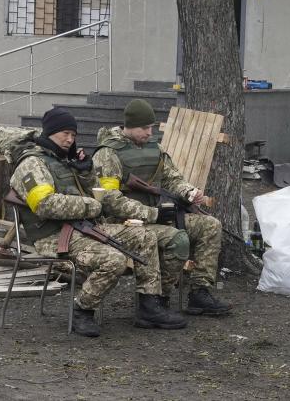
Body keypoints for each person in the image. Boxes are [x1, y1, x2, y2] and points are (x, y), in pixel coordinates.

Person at [9, 106, 187, 337]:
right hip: (54, 237)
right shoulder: (31, 164)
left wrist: (85, 172)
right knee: (114, 260)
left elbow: (96, 191)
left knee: (145, 236)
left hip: (85, 228)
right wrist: (91, 205)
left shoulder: (63, 160)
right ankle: (83, 309)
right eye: (65, 134)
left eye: (73, 135)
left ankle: (149, 305)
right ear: (50, 132)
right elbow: (45, 204)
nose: (69, 139)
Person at [93, 99, 231, 317]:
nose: (150, 132)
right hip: (124, 223)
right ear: (129, 126)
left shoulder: (154, 148)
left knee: (210, 225)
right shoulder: (108, 153)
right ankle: (157, 299)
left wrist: (189, 192)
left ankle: (199, 292)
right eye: (144, 128)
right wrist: (150, 213)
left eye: (151, 127)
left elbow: (172, 178)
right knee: (178, 239)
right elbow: (109, 199)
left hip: (158, 215)